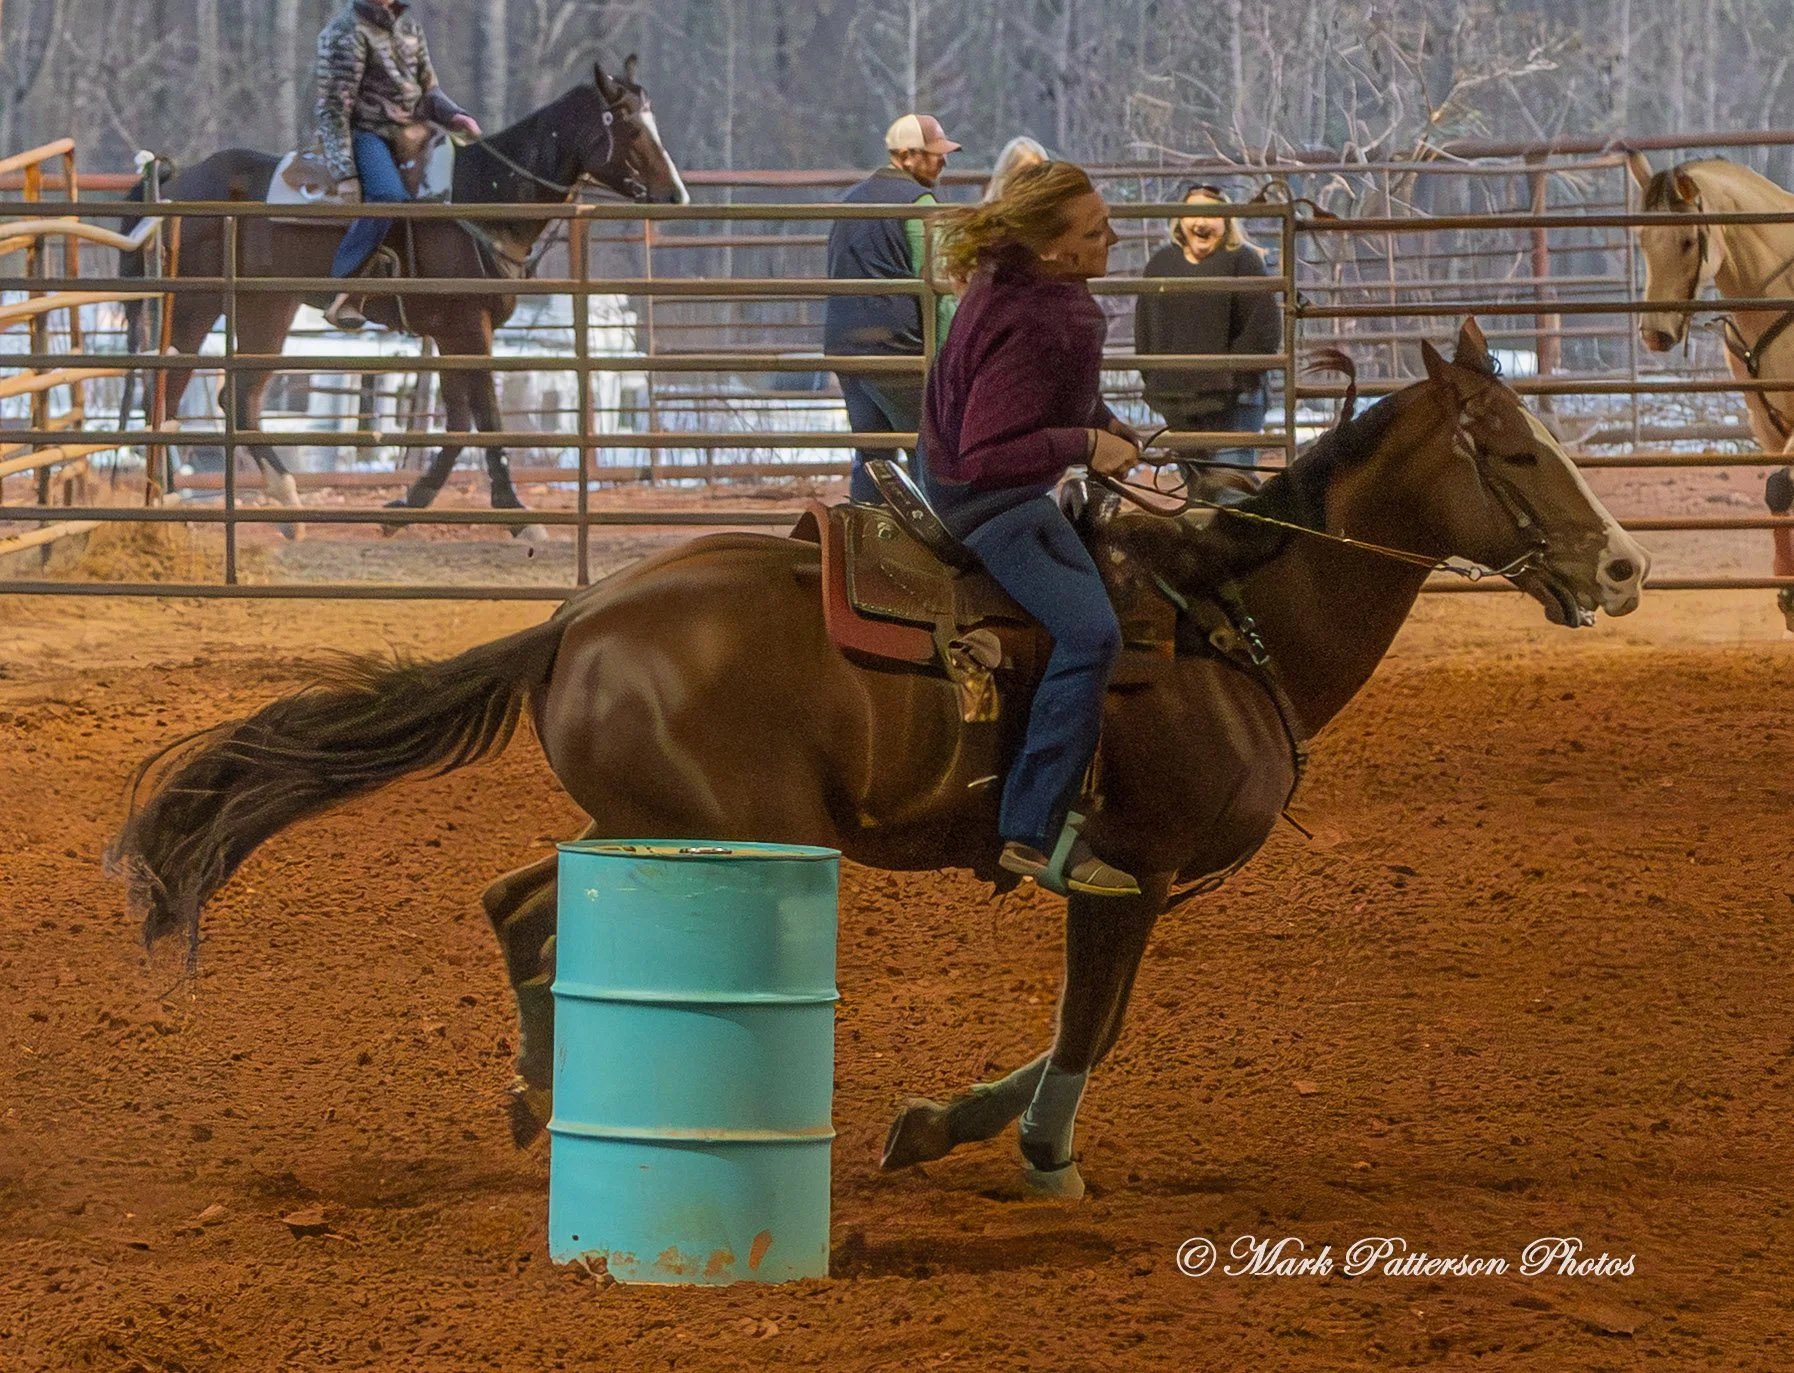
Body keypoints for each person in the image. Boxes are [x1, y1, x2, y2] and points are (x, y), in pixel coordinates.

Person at [918, 160, 1145, 901]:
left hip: (965, 488)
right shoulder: (1048, 314)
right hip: (989, 503)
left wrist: (1105, 423)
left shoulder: (1015, 287)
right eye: (1094, 229)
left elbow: (1046, 396)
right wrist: (1084, 446)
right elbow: (988, 449)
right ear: (1055, 248)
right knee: (1092, 634)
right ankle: (1033, 829)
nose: (1112, 235)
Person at [314, 0, 482, 330]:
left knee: (460, 184)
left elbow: (428, 89)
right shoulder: (345, 33)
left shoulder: (409, 27)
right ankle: (345, 290)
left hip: (414, 132)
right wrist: (345, 170)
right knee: (387, 198)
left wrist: (454, 115)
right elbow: (334, 109)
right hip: (367, 132)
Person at [824, 113, 961, 502]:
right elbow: (939, 287)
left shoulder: (849, 201)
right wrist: (948, 359)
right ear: (908, 156)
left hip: (847, 348)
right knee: (929, 447)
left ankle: (864, 532)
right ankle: (934, 536)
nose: (944, 161)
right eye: (935, 154)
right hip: (897, 349)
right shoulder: (920, 205)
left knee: (873, 454)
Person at [1134, 183, 1280, 485]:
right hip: (1179, 402)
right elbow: (1146, 330)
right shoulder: (1161, 264)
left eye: (1210, 214)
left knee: (1232, 494)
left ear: (1226, 221)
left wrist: (1232, 378)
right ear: (1180, 221)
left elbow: (1263, 329)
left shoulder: (1244, 261)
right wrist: (1160, 381)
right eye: (1192, 214)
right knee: (1199, 496)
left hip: (1233, 401)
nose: (1200, 222)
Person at [982, 136, 1048, 203]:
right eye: (1025, 172)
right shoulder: (991, 210)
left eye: (1039, 171)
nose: (1033, 180)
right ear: (1006, 173)